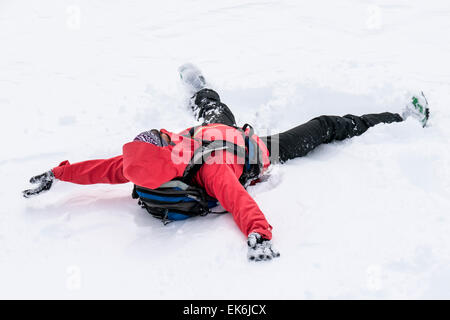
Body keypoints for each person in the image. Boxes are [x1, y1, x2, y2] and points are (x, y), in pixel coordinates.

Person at [22, 63, 430, 261]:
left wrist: (57, 174)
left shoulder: (144, 162)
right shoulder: (213, 173)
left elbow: (97, 169)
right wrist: (260, 234)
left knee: (213, 108)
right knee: (324, 125)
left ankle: (200, 90)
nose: (165, 133)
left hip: (218, 134)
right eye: (162, 138)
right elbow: (239, 201)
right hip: (257, 149)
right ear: (167, 155)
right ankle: (400, 118)